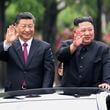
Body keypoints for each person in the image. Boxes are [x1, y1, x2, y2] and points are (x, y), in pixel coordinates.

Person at [0, 12, 55, 91]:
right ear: (16, 26)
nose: (27, 29)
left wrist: (45, 92)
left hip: (36, 94)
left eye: (30, 26)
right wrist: (7, 42)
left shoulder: (44, 47)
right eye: (24, 26)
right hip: (13, 93)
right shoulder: (10, 45)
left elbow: (49, 73)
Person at [56, 16, 110, 90]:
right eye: (83, 30)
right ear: (75, 32)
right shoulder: (66, 44)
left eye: (90, 30)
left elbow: (107, 69)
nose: (87, 33)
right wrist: (74, 46)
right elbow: (60, 56)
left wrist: (106, 83)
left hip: (92, 94)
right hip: (69, 94)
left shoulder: (103, 49)